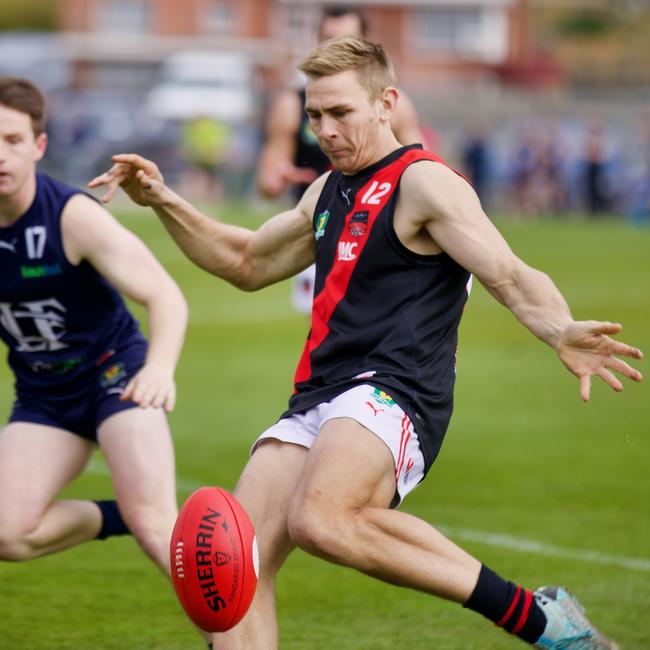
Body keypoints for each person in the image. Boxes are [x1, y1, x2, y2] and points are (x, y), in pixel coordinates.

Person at [90, 36, 643, 650]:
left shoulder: (425, 183)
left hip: (396, 390)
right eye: (314, 115)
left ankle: (542, 622)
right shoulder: (326, 191)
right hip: (318, 395)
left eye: (341, 113)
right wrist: (164, 200)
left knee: (320, 519)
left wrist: (560, 328)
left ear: (387, 103)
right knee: (234, 564)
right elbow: (245, 260)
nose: (325, 130)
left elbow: (509, 274)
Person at [0, 76, 193, 633]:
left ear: (38, 146)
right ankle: (120, 517)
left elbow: (165, 296)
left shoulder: (71, 216)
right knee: (8, 533)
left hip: (119, 377)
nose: (2, 154)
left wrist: (159, 369)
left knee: (161, 531)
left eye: (14, 140)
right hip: (43, 396)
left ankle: (235, 642)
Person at [257, 5, 424, 314]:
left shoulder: (394, 105)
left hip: (378, 236)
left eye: (345, 38)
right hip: (318, 234)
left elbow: (421, 171)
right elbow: (267, 182)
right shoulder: (292, 104)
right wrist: (278, 177)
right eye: (328, 39)